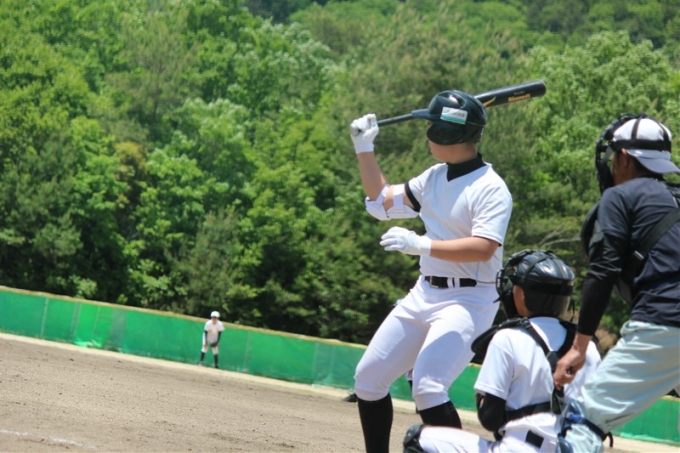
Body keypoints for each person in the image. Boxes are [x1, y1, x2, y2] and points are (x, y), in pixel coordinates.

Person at [349, 89, 513, 453]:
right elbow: (380, 202)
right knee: (368, 379)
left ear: (446, 133)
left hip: (470, 298)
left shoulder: (491, 187)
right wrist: (364, 148)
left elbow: (484, 247)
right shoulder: (435, 176)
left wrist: (421, 245)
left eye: (431, 127)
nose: (426, 135)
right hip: (425, 291)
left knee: (428, 386)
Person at [553, 114, 680, 452]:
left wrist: (580, 345)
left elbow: (603, 270)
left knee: (584, 420)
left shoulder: (621, 196)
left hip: (665, 322)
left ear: (623, 157)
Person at [402, 249, 602, 453]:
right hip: (578, 449)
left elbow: (490, 420)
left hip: (521, 448)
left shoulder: (508, 337)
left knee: (417, 439)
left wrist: (484, 400)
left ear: (521, 294)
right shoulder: (587, 347)